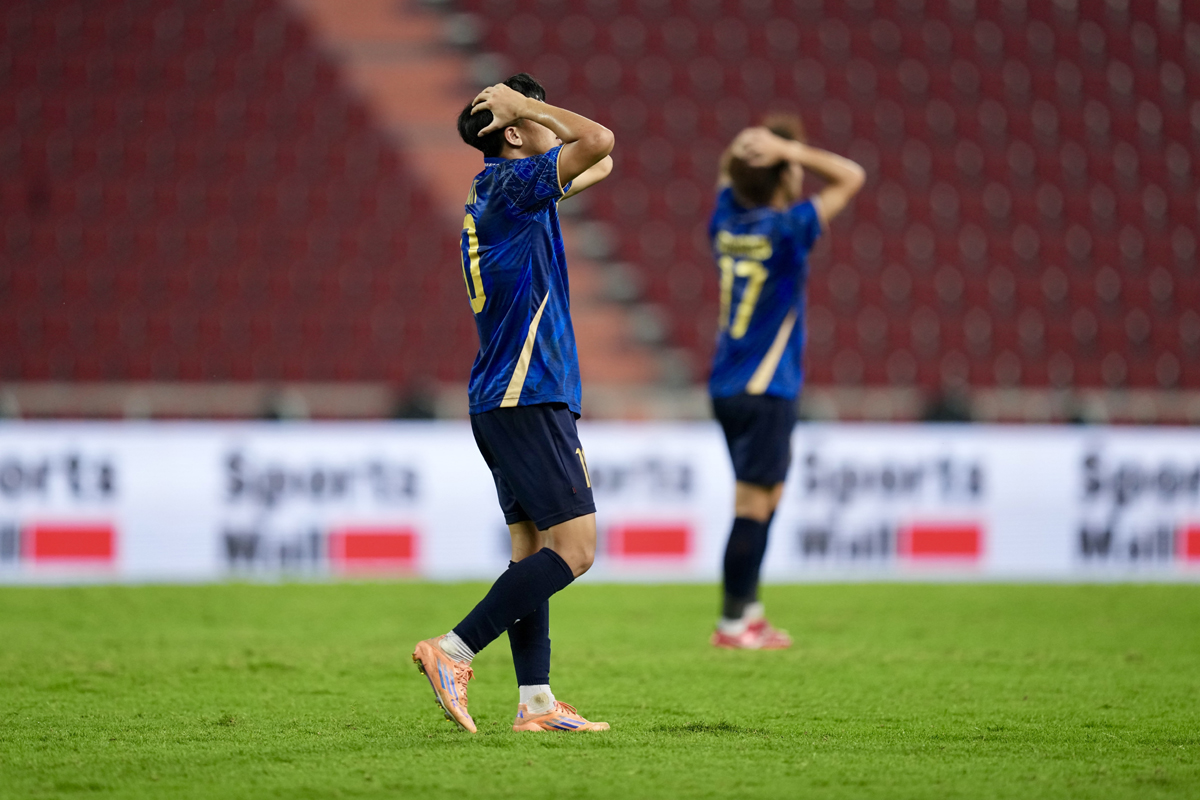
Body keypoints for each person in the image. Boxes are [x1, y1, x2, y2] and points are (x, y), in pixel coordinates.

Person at [411, 74, 614, 733]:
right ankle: (453, 650)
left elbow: (598, 162)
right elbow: (600, 141)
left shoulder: (500, 192)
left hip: (499, 397)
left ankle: (536, 703)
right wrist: (524, 106)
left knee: (532, 553)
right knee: (576, 549)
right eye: (536, 118)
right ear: (517, 135)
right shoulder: (514, 184)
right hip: (529, 392)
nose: (549, 124)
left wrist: (529, 117)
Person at [707, 119, 865, 649]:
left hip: (730, 385)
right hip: (766, 387)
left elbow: (728, 177)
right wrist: (789, 148)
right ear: (783, 175)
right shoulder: (788, 229)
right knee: (753, 505)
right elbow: (851, 176)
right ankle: (732, 625)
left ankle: (749, 614)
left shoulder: (725, 221)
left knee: (767, 497)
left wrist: (756, 149)